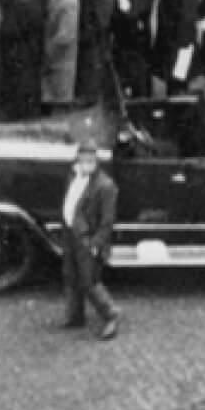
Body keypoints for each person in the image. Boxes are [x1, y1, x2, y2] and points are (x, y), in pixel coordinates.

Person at [57, 139, 119, 340]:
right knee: (71, 275)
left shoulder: (105, 186)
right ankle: (75, 316)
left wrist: (95, 244)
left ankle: (110, 315)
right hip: (70, 235)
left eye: (90, 160)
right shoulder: (73, 176)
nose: (86, 164)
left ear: (96, 161)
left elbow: (107, 221)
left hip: (87, 240)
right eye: (83, 159)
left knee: (89, 280)